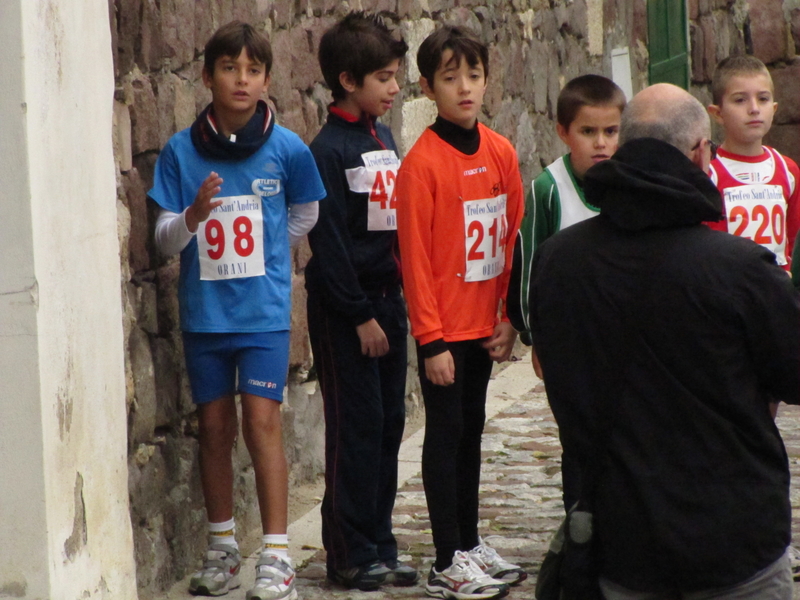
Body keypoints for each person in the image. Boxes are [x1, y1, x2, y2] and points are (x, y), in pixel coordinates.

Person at [528, 82, 800, 599]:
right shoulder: (740, 269)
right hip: (735, 542)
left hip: (622, 542)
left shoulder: (560, 263)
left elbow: (563, 382)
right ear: (701, 152)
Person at [149, 21, 326, 600]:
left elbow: (306, 215)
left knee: (262, 421)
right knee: (216, 427)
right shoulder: (180, 151)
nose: (241, 80)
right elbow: (163, 240)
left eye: (253, 70)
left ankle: (275, 554)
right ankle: (222, 544)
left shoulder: (288, 149)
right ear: (207, 77)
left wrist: (274, 255)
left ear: (267, 79)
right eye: (229, 68)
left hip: (264, 316)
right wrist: (195, 216)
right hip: (205, 317)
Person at [396, 24, 526, 600]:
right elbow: (415, 261)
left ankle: (470, 544)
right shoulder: (421, 165)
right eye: (451, 79)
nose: (465, 88)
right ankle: (446, 557)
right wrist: (430, 340)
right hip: (445, 330)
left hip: (485, 326)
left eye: (473, 75)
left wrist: (509, 316)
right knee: (444, 434)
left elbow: (512, 240)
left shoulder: (501, 152)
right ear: (429, 87)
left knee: (472, 432)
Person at [304, 12, 417, 592]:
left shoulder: (383, 137)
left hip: (388, 303)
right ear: (348, 81)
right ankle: (347, 551)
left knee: (389, 424)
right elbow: (329, 246)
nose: (395, 88)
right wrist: (360, 315)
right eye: (384, 78)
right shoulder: (326, 151)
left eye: (395, 77)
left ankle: (379, 541)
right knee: (357, 426)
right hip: (348, 310)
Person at [507, 74, 625, 515]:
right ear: (563, 131)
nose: (601, 143)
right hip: (569, 339)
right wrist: (533, 335)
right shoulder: (547, 188)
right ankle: (580, 524)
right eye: (588, 132)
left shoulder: (628, 185)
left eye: (610, 132)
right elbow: (529, 261)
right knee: (577, 436)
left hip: (620, 335)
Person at [705, 55, 799, 271]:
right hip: (732, 293)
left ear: (774, 109)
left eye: (763, 99)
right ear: (717, 113)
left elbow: (794, 241)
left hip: (778, 294)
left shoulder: (788, 170)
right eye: (740, 100)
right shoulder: (710, 172)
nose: (754, 108)